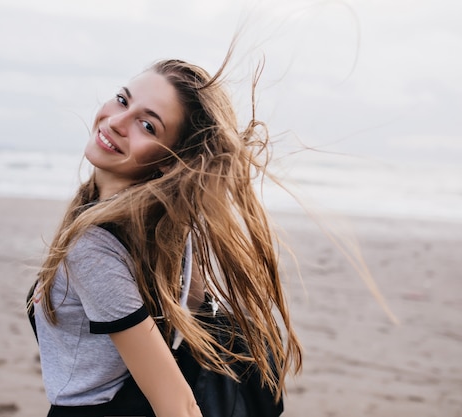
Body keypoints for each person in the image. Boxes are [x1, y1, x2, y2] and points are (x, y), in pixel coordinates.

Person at [28, 50, 303, 417]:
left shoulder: (94, 248)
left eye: (148, 126)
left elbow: (179, 406)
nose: (117, 121)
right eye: (123, 100)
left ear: (170, 159)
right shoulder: (169, 230)